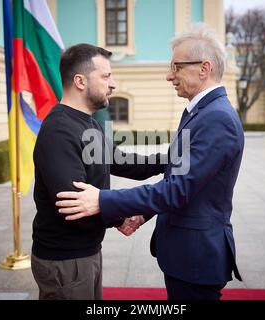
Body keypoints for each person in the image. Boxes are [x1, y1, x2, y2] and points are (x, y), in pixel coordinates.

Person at [55, 23, 244, 300]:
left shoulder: (216, 118)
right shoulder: (202, 111)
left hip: (196, 256)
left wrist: (103, 200)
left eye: (176, 67)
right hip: (186, 253)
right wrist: (145, 212)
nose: (170, 76)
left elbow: (179, 189)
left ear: (204, 68)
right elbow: (177, 172)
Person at [31, 43, 165, 300]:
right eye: (106, 76)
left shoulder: (88, 123)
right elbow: (74, 203)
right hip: (65, 258)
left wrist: (173, 158)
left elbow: (123, 161)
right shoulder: (60, 130)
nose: (113, 84)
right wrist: (120, 217)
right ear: (80, 81)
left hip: (85, 251)